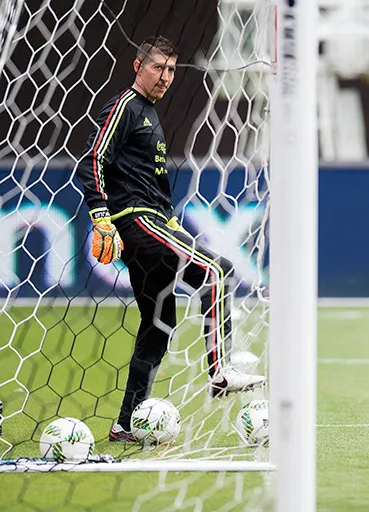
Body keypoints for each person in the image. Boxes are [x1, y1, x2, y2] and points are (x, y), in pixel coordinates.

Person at [75, 36, 265, 443]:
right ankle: (220, 371)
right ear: (138, 66)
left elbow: (149, 183)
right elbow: (93, 158)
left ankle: (125, 424)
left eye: (171, 70)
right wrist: (100, 215)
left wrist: (172, 223)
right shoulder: (126, 106)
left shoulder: (149, 113)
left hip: (153, 222)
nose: (165, 77)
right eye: (157, 67)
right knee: (217, 272)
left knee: (158, 326)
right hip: (137, 221)